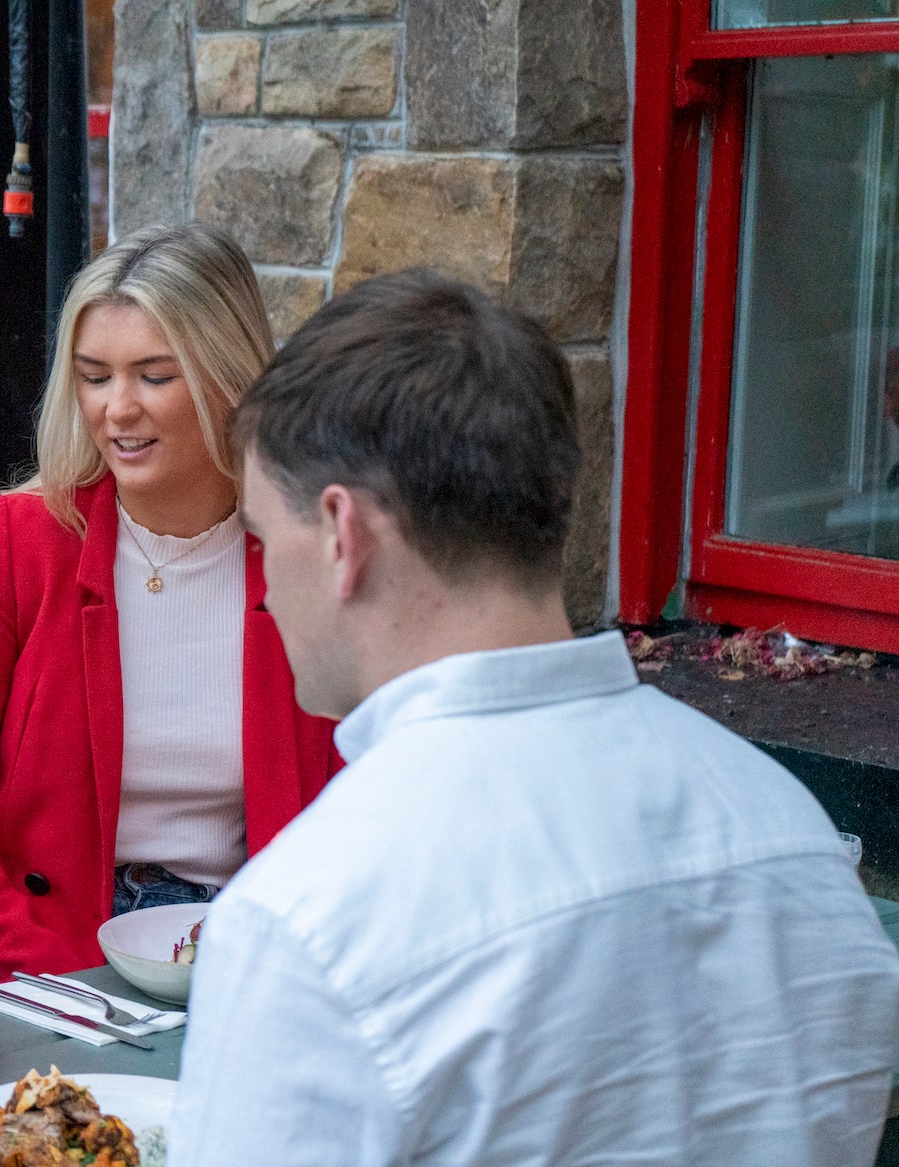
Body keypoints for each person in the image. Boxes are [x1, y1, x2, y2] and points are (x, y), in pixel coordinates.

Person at [170, 269, 899, 1166]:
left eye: (260, 537)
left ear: (340, 535)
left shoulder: (309, 919)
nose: (266, 589)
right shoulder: (796, 838)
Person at [0, 223, 340, 997]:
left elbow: (349, 809)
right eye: (94, 376)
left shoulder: (305, 556)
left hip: (239, 957)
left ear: (231, 378)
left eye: (154, 376)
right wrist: (61, 984)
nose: (117, 409)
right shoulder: (21, 541)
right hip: (29, 959)